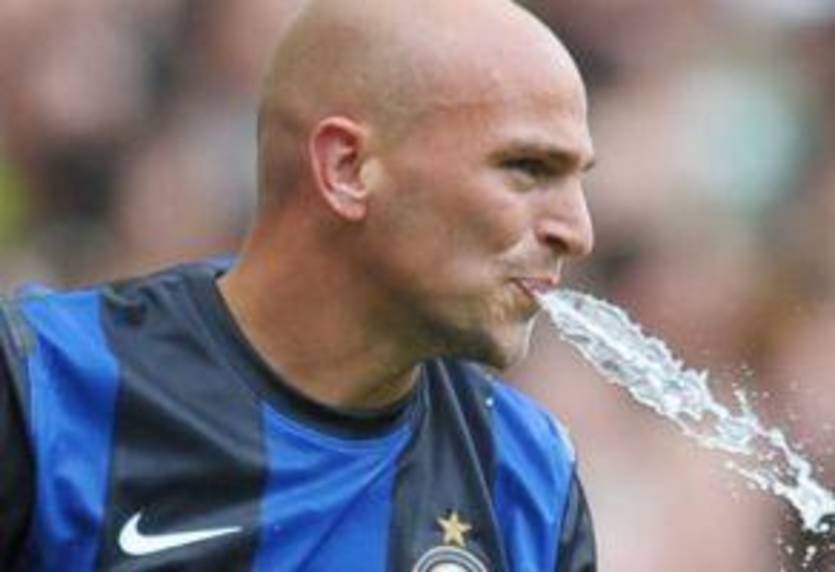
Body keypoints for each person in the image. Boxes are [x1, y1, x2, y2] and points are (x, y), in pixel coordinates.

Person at [0, 0, 598, 569]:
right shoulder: (45, 390)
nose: (577, 231)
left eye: (578, 179)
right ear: (347, 168)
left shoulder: (526, 476)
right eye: (527, 168)